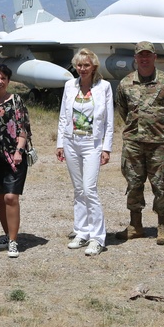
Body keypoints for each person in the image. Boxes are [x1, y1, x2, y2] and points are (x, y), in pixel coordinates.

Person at [115, 41, 164, 246]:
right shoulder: (126, 83)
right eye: (140, 55)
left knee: (161, 185)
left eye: (148, 55)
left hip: (159, 144)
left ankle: (162, 227)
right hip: (134, 143)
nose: (144, 59)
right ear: (136, 59)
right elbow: (123, 110)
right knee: (134, 184)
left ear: (155, 58)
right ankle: (135, 225)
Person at [56, 49, 114, 257]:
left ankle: (98, 238)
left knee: (89, 189)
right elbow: (64, 115)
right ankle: (82, 232)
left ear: (94, 67)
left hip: (92, 143)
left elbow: (108, 120)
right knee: (78, 189)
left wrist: (106, 147)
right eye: (79, 65)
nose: (82, 69)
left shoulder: (104, 87)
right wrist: (60, 143)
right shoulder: (69, 86)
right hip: (72, 142)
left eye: (86, 65)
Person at [0, 64, 32, 258]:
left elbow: (23, 128)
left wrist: (19, 150)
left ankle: (13, 241)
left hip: (14, 155)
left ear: (8, 81)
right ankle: (7, 234)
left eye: (3, 78)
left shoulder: (16, 101)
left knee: (10, 197)